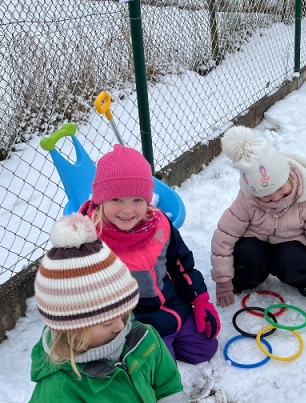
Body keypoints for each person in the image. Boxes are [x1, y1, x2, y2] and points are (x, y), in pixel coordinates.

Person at [21, 214, 229, 403]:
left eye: (125, 312)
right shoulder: (57, 401)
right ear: (71, 329)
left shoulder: (141, 340)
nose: (122, 326)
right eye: (107, 322)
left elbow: (168, 397)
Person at [78, 145, 219, 365]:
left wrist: (200, 299)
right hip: (132, 318)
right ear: (101, 200)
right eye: (117, 199)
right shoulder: (90, 241)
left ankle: (170, 337)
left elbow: (180, 264)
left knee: (203, 349)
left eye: (137, 200)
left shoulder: (160, 223)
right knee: (162, 370)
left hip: (171, 303)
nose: (127, 210)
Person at [211, 126, 306, 308]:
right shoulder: (247, 199)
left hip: (291, 243)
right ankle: (245, 278)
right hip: (256, 240)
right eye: (266, 196)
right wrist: (223, 281)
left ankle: (304, 280)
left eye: (280, 190)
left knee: (292, 258)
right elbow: (224, 236)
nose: (276, 198)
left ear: (288, 176)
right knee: (248, 254)